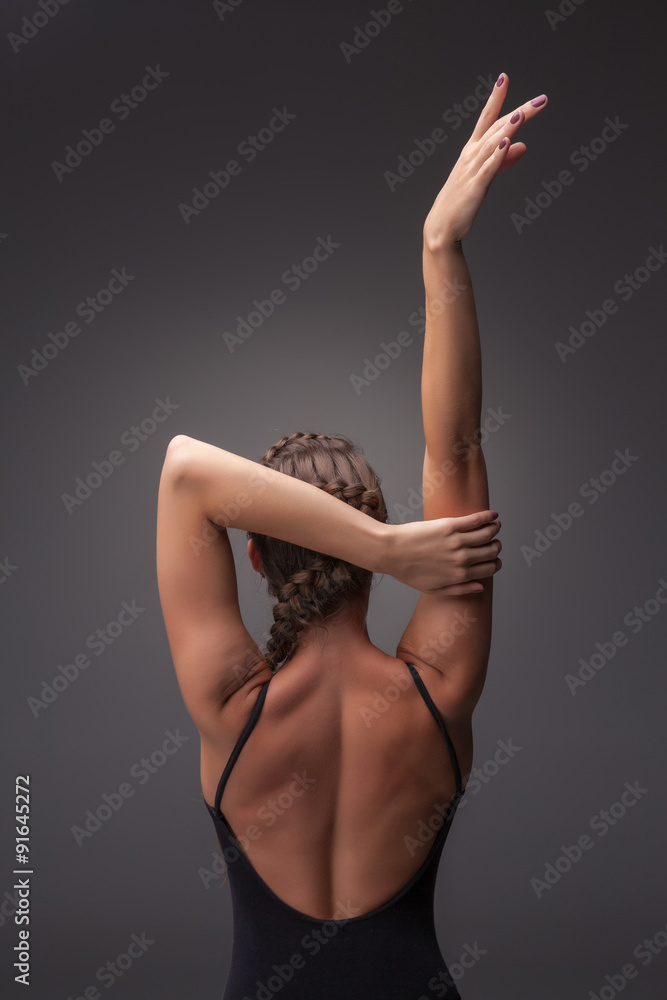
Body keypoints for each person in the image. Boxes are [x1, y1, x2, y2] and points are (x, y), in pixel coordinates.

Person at [157, 72, 547, 999]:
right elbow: (453, 445)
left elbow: (182, 470)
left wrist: (381, 545)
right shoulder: (434, 693)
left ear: (253, 554)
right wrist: (438, 245)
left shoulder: (230, 710)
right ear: (379, 554)